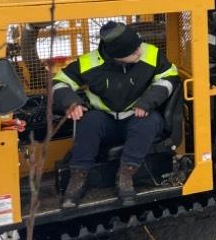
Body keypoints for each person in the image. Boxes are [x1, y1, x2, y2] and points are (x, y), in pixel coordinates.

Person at [52, 21, 180, 208]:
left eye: (138, 46)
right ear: (117, 56)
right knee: (89, 121)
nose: (140, 51)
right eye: (134, 51)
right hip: (106, 121)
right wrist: (71, 103)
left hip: (137, 116)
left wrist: (148, 102)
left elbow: (169, 76)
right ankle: (77, 179)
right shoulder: (89, 64)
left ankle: (126, 175)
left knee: (148, 121)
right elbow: (59, 82)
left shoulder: (150, 53)